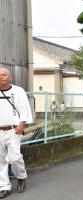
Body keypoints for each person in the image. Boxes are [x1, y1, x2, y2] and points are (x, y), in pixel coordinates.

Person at [0, 67, 33, 198]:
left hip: (14, 130)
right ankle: (4, 186)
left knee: (14, 157)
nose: (1, 77)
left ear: (10, 78)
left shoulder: (18, 91)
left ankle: (21, 176)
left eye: (4, 75)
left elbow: (24, 108)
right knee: (0, 160)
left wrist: (21, 124)